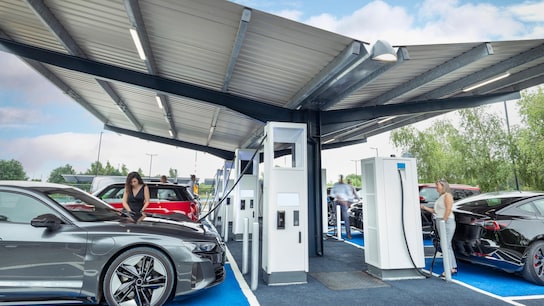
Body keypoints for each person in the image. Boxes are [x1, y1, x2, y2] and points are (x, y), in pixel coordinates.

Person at [420, 179, 458, 277]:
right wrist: (424, 208)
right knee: (447, 245)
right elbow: (436, 211)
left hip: (446, 221)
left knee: (445, 244)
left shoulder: (447, 196)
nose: (436, 187)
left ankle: (448, 269)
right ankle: (452, 267)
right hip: (440, 221)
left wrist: (443, 220)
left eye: (437, 185)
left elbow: (448, 209)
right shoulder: (440, 197)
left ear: (443, 186)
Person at [330, 175, 352, 239]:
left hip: (344, 202)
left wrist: (347, 201)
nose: (341, 179)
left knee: (346, 218)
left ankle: (348, 233)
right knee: (336, 218)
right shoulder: (335, 185)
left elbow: (349, 194)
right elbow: (331, 194)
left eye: (342, 178)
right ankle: (338, 233)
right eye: (340, 178)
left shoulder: (345, 186)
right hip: (336, 201)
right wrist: (337, 197)